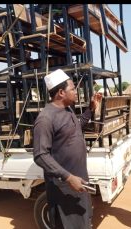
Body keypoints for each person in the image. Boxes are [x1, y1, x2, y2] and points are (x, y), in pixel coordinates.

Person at [33, 69, 102, 229]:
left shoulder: (67, 110)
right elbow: (40, 155)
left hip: (79, 182)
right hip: (64, 188)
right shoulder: (45, 119)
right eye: (73, 89)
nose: (76, 92)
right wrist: (69, 178)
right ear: (61, 92)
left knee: (84, 223)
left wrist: (91, 109)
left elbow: (76, 127)